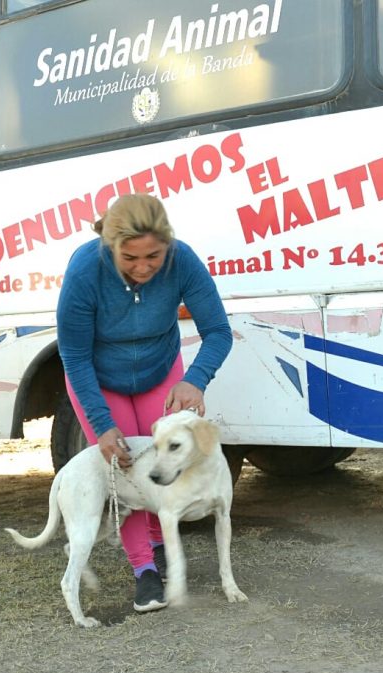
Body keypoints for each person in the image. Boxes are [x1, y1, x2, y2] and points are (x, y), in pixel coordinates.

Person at [56, 193, 232, 612]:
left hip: (159, 368)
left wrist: (195, 380)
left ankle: (159, 544)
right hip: (99, 376)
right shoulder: (84, 270)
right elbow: (75, 356)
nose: (143, 267)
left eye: (153, 255)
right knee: (126, 467)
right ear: (110, 246)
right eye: (130, 258)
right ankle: (144, 570)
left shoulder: (182, 260)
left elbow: (218, 332)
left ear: (168, 244)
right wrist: (101, 425)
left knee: (161, 463)